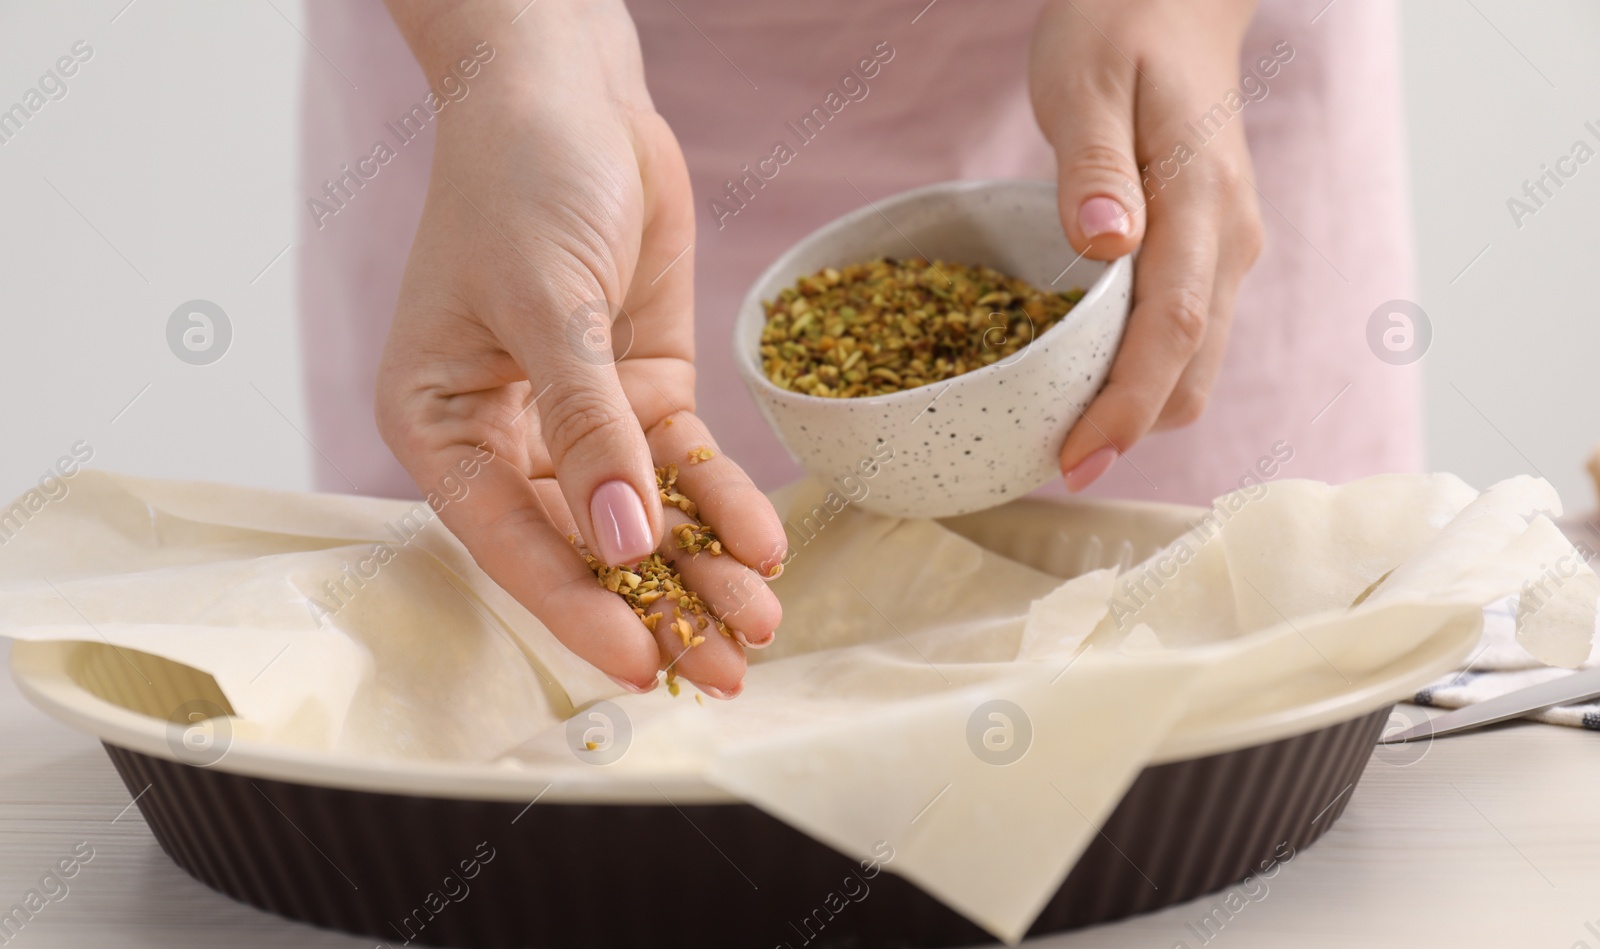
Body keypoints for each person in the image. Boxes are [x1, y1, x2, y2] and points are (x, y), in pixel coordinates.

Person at [298, 0, 1422, 698]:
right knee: (510, 707)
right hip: (523, 105)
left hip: (1160, 85)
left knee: (1224, 693)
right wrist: (513, 49)